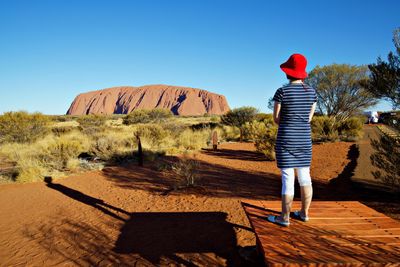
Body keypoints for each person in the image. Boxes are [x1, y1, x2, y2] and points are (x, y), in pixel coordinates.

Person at [267, 54, 317, 227]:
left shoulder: (282, 92)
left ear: (288, 72)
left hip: (286, 139)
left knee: (287, 179)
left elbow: (276, 118)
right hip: (304, 139)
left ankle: (285, 218)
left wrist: (288, 120)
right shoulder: (311, 92)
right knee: (305, 177)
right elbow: (309, 118)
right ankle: (304, 213)